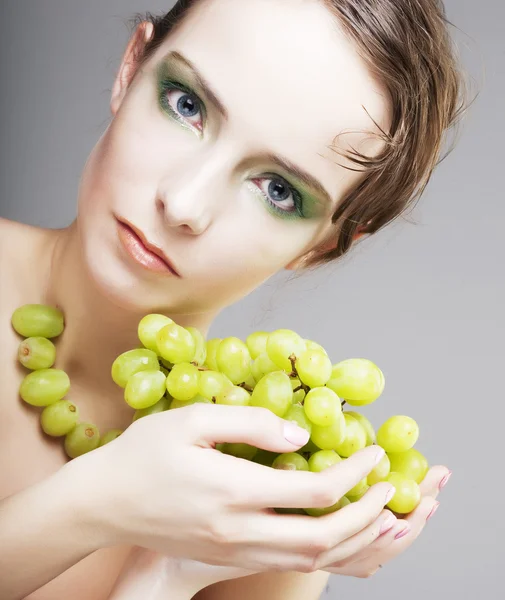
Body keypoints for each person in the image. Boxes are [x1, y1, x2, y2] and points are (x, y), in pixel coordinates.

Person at [0, 0, 465, 599]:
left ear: (323, 246)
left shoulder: (270, 514)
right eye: (186, 104)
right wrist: (97, 502)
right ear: (131, 67)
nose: (185, 204)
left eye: (278, 190)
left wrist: (164, 579)